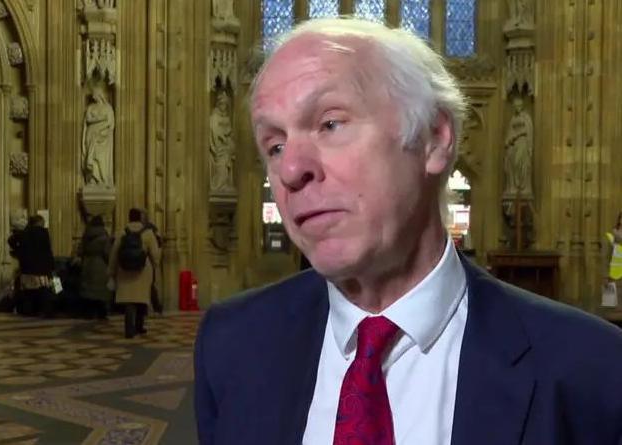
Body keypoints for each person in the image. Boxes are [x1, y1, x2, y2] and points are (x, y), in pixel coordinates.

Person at [194, 18, 622, 445]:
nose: (289, 170)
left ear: (434, 138)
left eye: (330, 124)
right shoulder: (232, 344)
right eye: (275, 145)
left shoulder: (592, 370)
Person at [109, 208, 161, 338]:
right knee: (141, 299)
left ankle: (129, 329)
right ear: (140, 218)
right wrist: (156, 264)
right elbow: (155, 255)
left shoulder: (121, 232)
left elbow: (114, 253)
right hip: (142, 270)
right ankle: (139, 326)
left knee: (129, 301)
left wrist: (111, 271)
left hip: (124, 269)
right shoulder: (148, 233)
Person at [14, 214, 56, 317]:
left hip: (27, 267)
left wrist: (19, 251)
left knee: (28, 291)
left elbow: (11, 240)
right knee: (43, 290)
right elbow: (48, 251)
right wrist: (52, 266)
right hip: (42, 268)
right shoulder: (44, 233)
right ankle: (44, 311)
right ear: (40, 223)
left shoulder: (25, 233)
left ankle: (28, 311)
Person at [78, 215, 112, 319]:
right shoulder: (104, 236)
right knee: (101, 291)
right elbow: (107, 253)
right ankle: (102, 313)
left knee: (88, 290)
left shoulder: (86, 235)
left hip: (87, 264)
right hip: (100, 265)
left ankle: (88, 313)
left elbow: (80, 251)